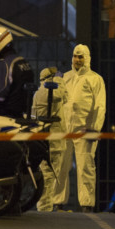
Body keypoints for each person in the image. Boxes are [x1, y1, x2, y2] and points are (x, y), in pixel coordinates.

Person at [52, 44, 106, 213]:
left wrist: (95, 129)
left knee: (86, 168)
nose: (77, 60)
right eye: (75, 56)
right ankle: (57, 202)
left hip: (85, 129)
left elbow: (100, 106)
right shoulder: (65, 78)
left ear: (87, 58)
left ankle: (87, 205)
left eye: (81, 57)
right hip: (65, 129)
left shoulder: (95, 79)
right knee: (60, 166)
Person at [33, 67, 68, 212]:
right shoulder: (50, 90)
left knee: (46, 174)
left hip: (44, 139)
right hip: (53, 141)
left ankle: (44, 206)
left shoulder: (38, 92)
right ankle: (45, 208)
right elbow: (64, 95)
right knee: (49, 176)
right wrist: (59, 79)